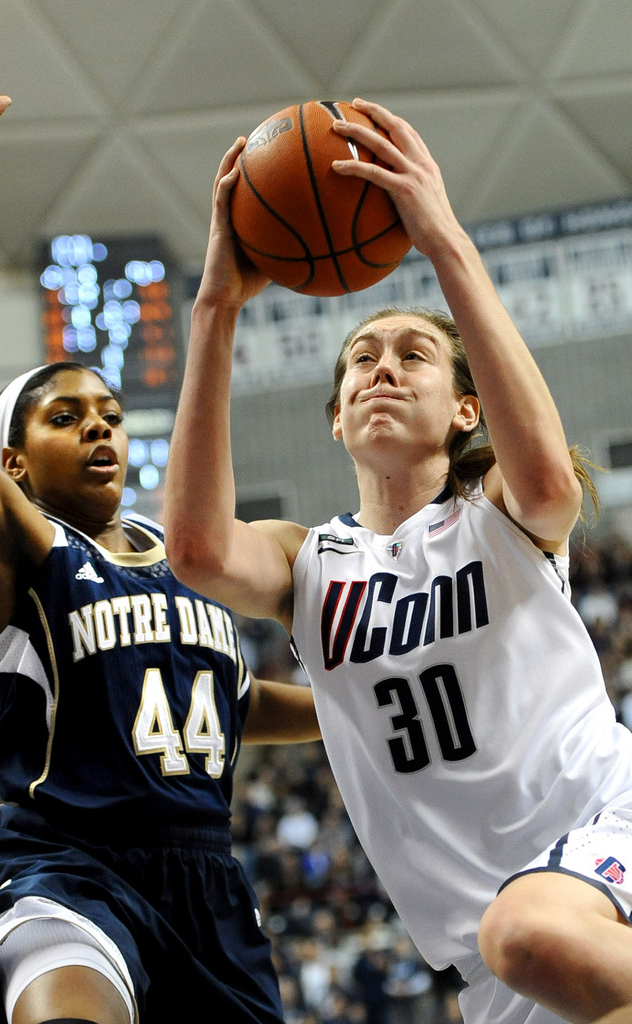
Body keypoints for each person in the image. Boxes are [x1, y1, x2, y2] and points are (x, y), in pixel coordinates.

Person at [0, 13, 320, 1024]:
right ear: (14, 460)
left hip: (208, 885)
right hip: (69, 870)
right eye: (67, 415)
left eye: (113, 414)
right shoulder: (22, 542)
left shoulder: (188, 561)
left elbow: (241, 702)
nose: (102, 428)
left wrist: (360, 704)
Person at [162, 96, 632, 1024]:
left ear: (465, 409)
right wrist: (214, 306)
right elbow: (197, 551)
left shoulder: (496, 510)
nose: (382, 367)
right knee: (519, 942)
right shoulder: (312, 563)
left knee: (529, 932)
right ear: (336, 418)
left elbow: (543, 476)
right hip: (491, 961)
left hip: (597, 836)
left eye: (414, 356)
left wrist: (443, 239)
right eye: (361, 360)